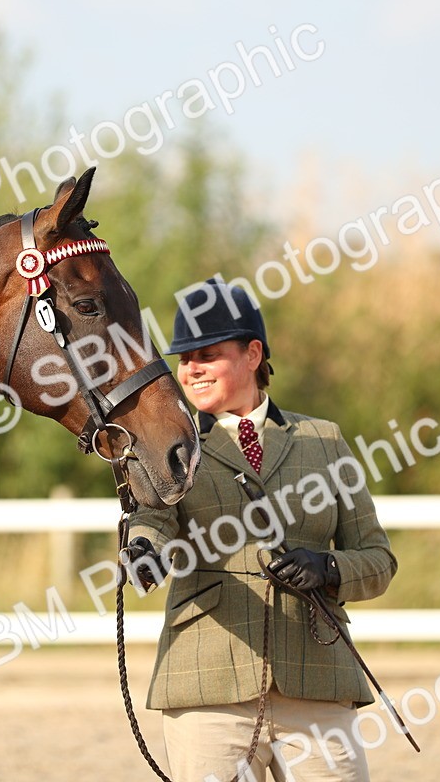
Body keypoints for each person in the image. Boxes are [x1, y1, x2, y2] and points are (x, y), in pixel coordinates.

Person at [124, 279, 397, 782]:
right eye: (184, 358)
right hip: (208, 685)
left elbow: (378, 560)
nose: (192, 368)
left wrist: (328, 567)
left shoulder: (324, 440)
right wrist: (144, 550)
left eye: (207, 355)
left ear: (253, 354)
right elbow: (153, 519)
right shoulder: (169, 446)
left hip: (317, 680)